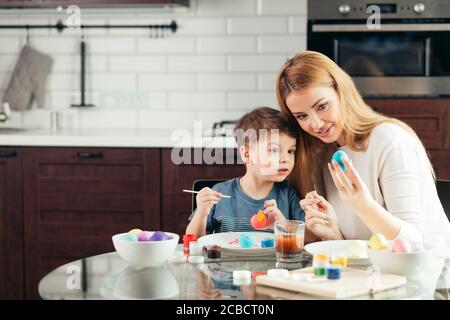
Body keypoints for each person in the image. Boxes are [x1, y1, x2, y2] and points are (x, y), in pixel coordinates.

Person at [275, 50, 450, 246]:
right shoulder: (321, 153)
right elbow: (358, 248)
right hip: (369, 272)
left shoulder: (389, 140)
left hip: (424, 272)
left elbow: (414, 243)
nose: (315, 124)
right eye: (302, 116)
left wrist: (363, 205)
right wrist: (333, 235)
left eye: (322, 106)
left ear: (342, 92)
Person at [185, 107, 305, 237]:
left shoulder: (288, 195)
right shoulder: (220, 192)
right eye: (274, 150)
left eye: (290, 151)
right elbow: (193, 241)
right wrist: (202, 211)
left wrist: (282, 223)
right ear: (247, 154)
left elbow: (303, 239)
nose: (285, 159)